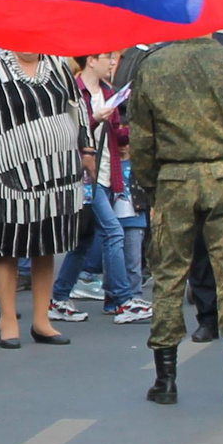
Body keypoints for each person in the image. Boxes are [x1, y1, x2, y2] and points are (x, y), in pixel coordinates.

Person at [127, 32, 223, 406]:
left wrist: (151, 187)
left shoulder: (152, 65)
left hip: (173, 178)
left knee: (169, 276)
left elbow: (142, 137)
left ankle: (165, 380)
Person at [0, 51, 86, 348]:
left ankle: (41, 321)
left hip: (57, 176)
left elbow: (77, 109)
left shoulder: (59, 66)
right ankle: (8, 321)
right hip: (8, 178)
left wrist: (85, 150)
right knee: (7, 247)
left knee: (46, 245)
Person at [50, 51, 147, 326]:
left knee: (83, 241)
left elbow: (119, 134)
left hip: (104, 174)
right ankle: (122, 299)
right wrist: (95, 118)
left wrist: (136, 126)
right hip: (83, 176)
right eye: (107, 56)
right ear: (91, 60)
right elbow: (67, 134)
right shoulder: (72, 92)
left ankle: (58, 298)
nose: (113, 62)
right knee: (114, 232)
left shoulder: (109, 91)